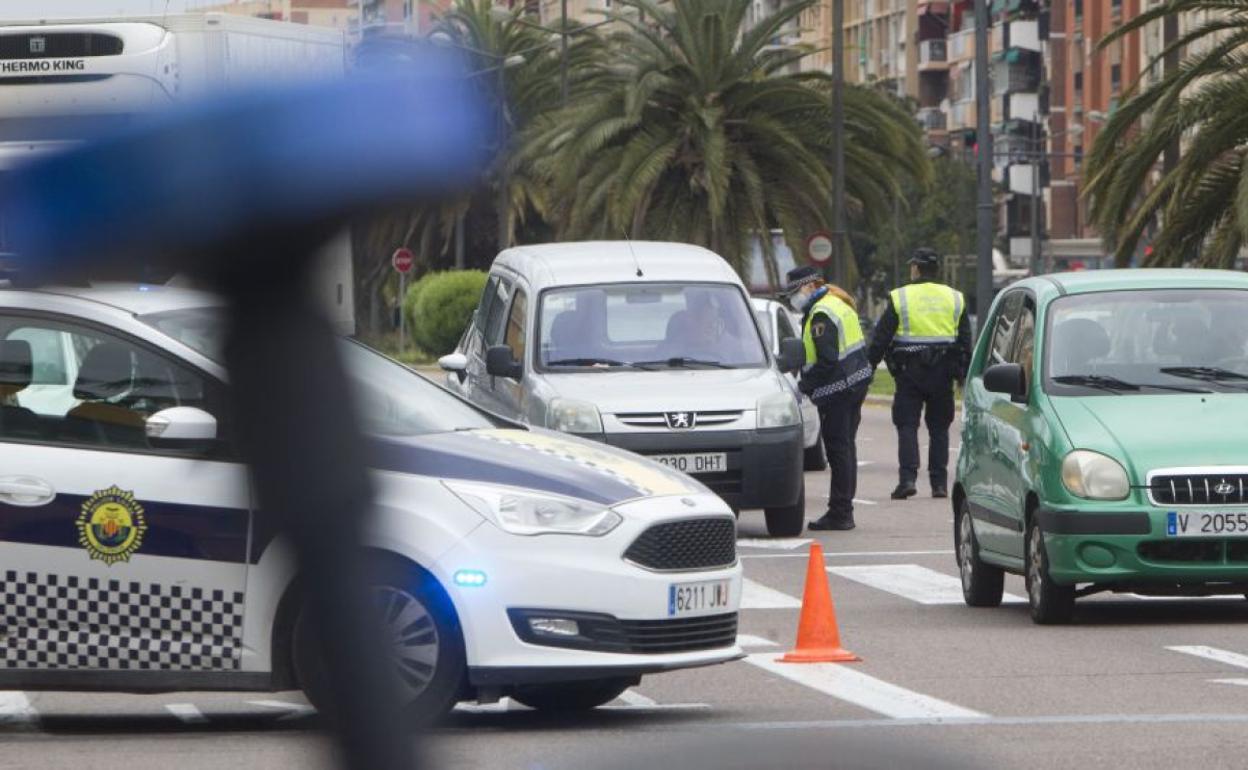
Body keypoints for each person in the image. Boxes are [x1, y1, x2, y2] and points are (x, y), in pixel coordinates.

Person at [868, 248, 972, 500]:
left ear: (915, 268)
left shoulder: (900, 297)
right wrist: (964, 375)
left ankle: (907, 480)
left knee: (907, 425)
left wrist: (868, 367)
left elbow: (881, 338)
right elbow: (965, 340)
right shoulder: (955, 297)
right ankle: (939, 485)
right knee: (939, 428)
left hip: (909, 372)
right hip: (943, 372)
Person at [782, 265, 872, 531]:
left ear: (810, 286)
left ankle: (841, 512)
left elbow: (827, 361)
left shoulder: (821, 314)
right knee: (846, 448)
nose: (793, 299)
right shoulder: (837, 303)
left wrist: (803, 386)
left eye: (795, 292)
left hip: (839, 390)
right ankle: (844, 508)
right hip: (854, 384)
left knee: (838, 451)